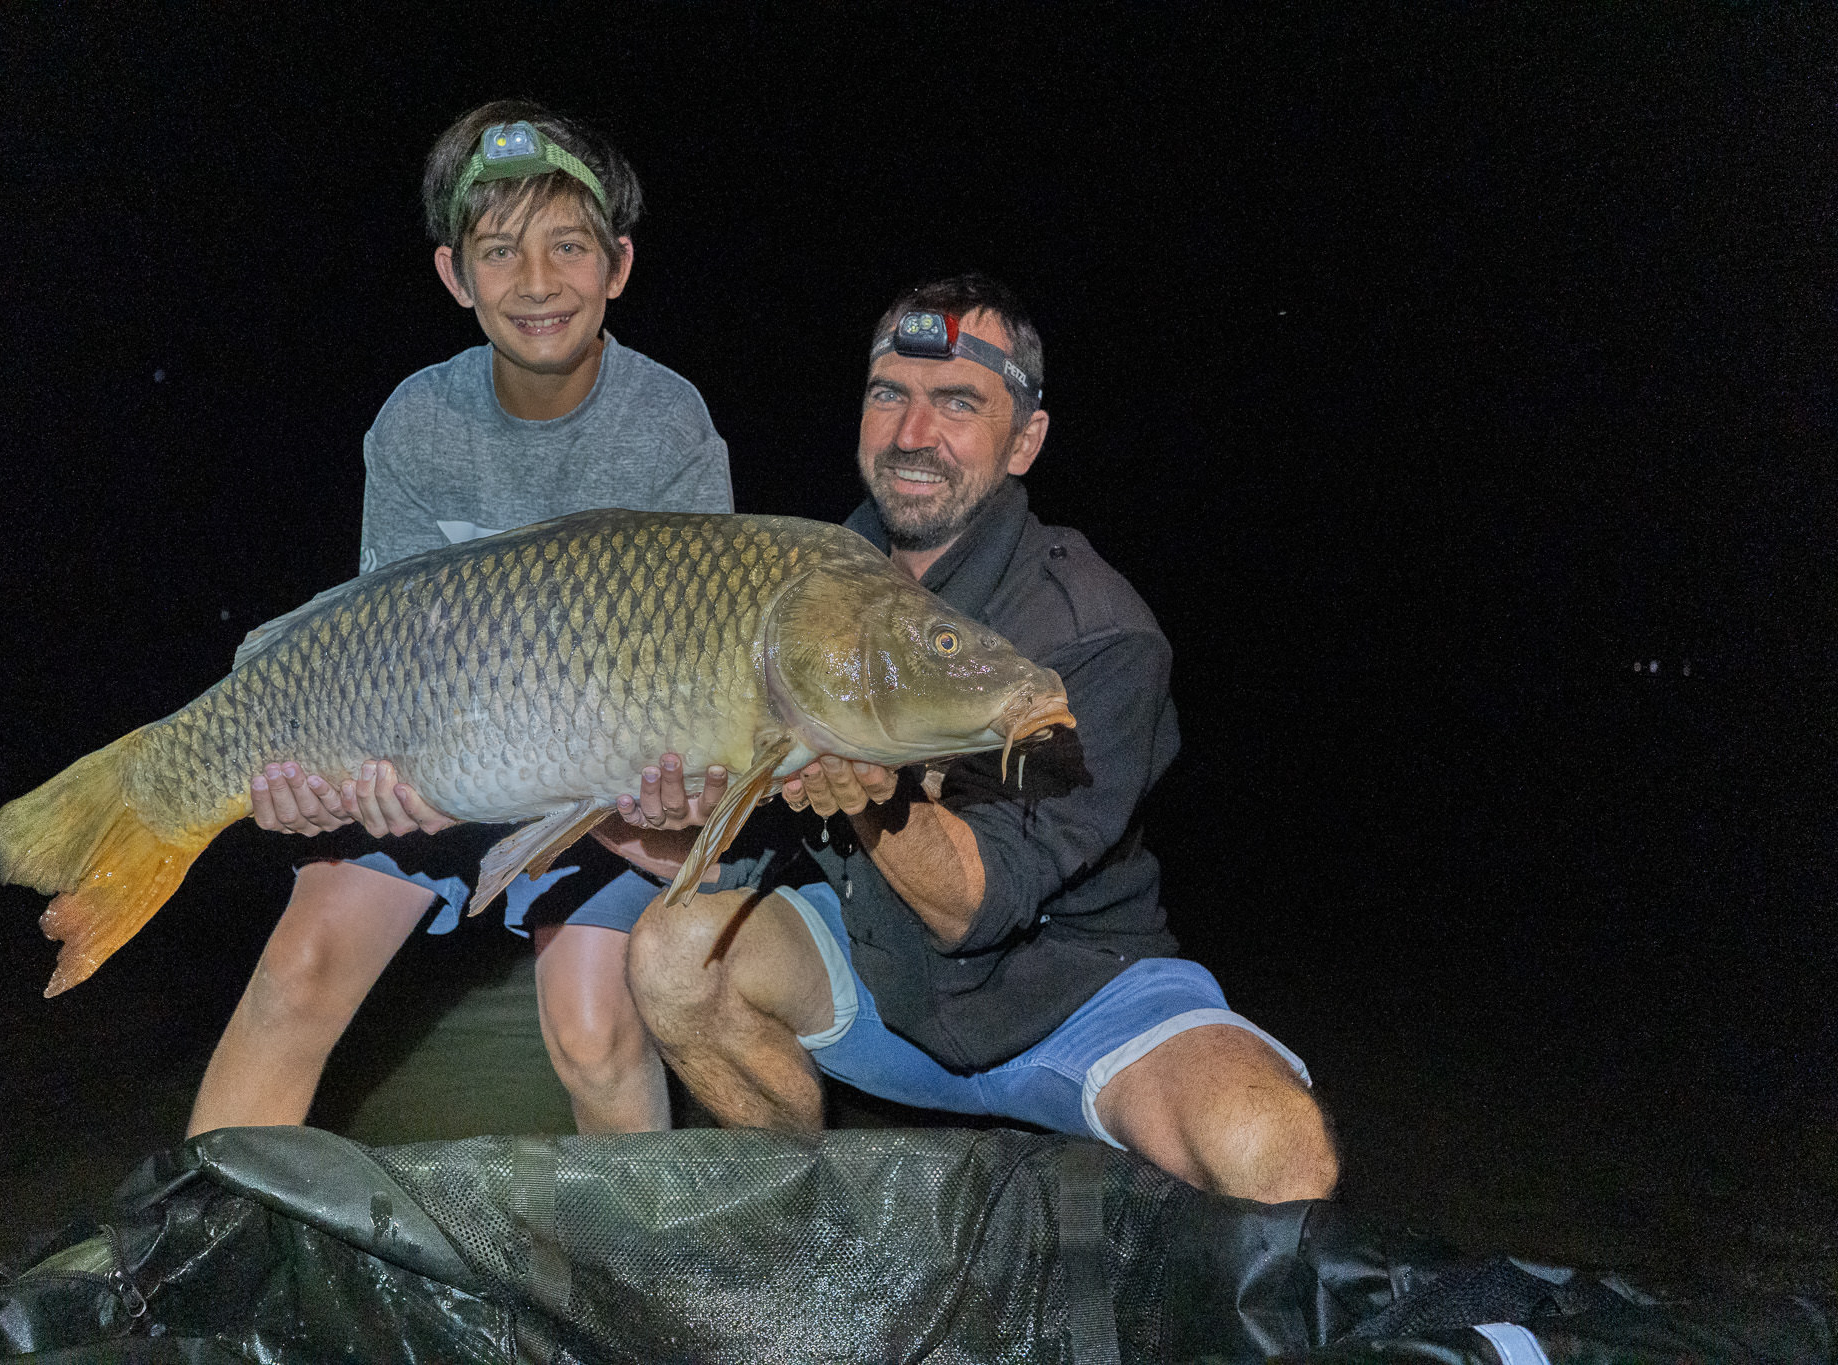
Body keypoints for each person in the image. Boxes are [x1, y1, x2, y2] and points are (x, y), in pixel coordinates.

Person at [617, 275, 1340, 1202]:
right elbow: (737, 836)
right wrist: (664, 810)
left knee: (1276, 1151)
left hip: (1076, 994)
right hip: (881, 978)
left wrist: (878, 795)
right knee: (673, 950)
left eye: (959, 402)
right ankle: (797, 1240)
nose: (914, 434)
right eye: (891, 396)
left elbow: (976, 905)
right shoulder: (805, 584)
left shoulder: (1097, 631)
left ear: (1024, 438)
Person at [186, 100, 733, 1138]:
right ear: (454, 275)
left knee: (589, 1028)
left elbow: (695, 667)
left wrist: (659, 798)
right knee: (294, 974)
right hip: (434, 766)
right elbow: (376, 650)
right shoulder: (415, 422)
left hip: (590, 782)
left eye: (568, 247)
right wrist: (338, 783)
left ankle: (634, 1289)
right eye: (499, 251)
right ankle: (217, 1260)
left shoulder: (669, 424)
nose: (536, 283)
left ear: (616, 265)